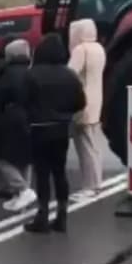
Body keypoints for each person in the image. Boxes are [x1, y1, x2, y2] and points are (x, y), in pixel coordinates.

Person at [23, 32, 86, 234]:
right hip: (61, 129)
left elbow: (22, 100)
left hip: (38, 128)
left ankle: (42, 216)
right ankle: (62, 216)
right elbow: (80, 103)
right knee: (60, 172)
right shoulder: (70, 75)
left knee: (42, 174)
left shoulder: (32, 74)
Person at [0, 39, 36, 212]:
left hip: (11, 119)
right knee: (25, 158)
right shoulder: (31, 72)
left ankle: (23, 190)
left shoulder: (7, 74)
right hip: (29, 117)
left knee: (4, 159)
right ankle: (22, 194)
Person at [67, 18, 106, 200]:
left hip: (81, 103)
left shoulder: (80, 50)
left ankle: (90, 187)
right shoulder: (99, 49)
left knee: (84, 148)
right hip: (96, 101)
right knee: (94, 146)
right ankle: (96, 183)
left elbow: (70, 74)